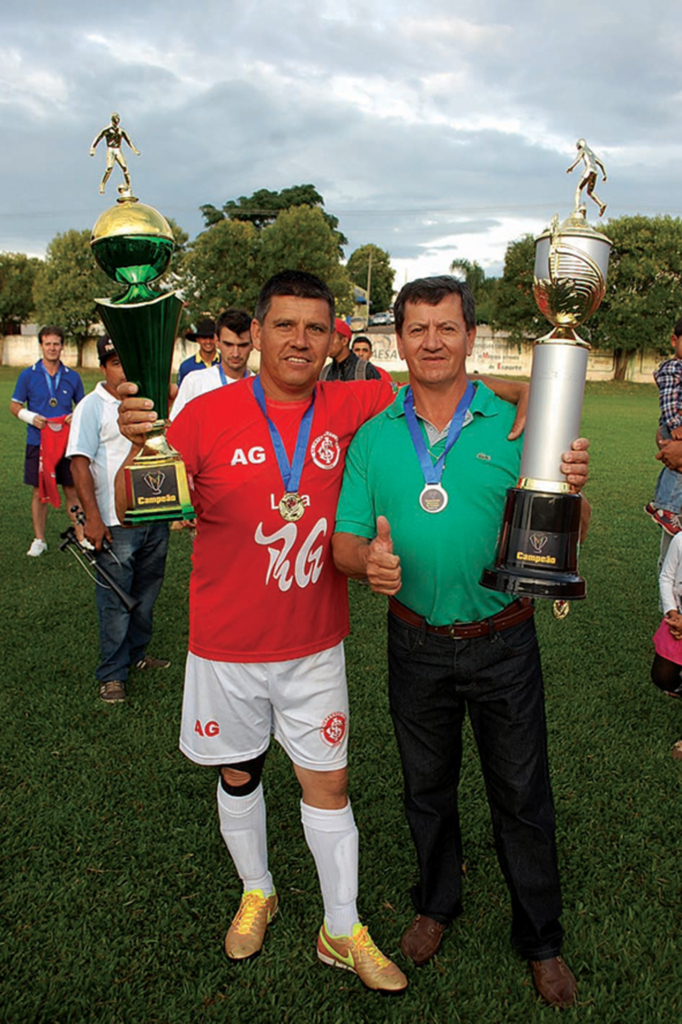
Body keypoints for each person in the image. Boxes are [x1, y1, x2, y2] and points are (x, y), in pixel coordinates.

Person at [116, 270, 529, 994]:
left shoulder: (358, 401)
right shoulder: (206, 415)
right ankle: (258, 890)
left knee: (328, 785)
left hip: (313, 644)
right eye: (285, 326)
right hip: (224, 644)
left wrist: (532, 403)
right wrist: (135, 446)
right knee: (239, 773)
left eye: (315, 328)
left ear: (335, 339)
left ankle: (341, 927)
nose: (300, 341)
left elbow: (456, 384)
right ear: (257, 333)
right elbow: (138, 501)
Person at [332, 276, 590, 1009]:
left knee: (522, 795)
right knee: (426, 788)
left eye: (447, 327)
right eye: (418, 329)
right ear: (399, 341)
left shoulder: (515, 426)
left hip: (502, 641)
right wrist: (368, 564)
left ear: (471, 337)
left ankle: (541, 938)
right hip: (413, 641)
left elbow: (570, 533)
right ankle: (436, 903)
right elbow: (347, 540)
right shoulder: (377, 436)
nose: (433, 341)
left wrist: (572, 489)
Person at [66, 337, 170, 703]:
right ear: (102, 367)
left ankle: (137, 655)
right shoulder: (92, 406)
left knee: (146, 592)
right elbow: (78, 463)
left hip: (155, 514)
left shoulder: (149, 401)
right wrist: (92, 518)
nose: (122, 370)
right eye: (113, 362)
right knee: (115, 599)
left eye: (126, 361)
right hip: (114, 522)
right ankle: (111, 674)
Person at [10, 325, 86, 556]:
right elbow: (14, 406)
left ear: (62, 346)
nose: (52, 348)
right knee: (38, 491)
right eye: (48, 344)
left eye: (56, 344)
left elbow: (82, 405)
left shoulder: (72, 376)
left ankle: (82, 537)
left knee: (72, 489)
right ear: (41, 346)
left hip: (65, 443)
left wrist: (75, 415)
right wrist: (31, 417)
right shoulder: (28, 375)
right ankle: (39, 539)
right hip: (38, 442)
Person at [170, 309, 253, 421]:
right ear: (217, 341)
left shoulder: (264, 388)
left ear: (253, 344)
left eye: (242, 345)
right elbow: (175, 429)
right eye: (228, 345)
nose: (235, 353)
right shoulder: (194, 382)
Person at [644, 317, 682, 538]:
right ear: (674, 341)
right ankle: (666, 508)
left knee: (673, 468)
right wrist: (675, 425)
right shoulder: (675, 368)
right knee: (676, 469)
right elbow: (668, 400)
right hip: (676, 426)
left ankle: (660, 504)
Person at [651, 531, 682, 760]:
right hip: (677, 621)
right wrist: (671, 611)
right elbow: (666, 577)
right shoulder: (680, 540)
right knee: (662, 676)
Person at [89, 112, 140, 196]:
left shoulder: (121, 131)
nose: (116, 123)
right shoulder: (107, 130)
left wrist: (134, 150)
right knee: (109, 168)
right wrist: (92, 148)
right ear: (112, 121)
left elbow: (128, 141)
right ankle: (102, 184)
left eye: (118, 121)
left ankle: (128, 186)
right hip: (110, 149)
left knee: (124, 167)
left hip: (117, 150)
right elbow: (98, 138)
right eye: (115, 121)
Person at [566, 138, 607, 217]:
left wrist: (571, 167)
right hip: (595, 172)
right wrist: (604, 175)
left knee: (579, 189)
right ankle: (601, 204)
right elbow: (601, 164)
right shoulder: (591, 153)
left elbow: (578, 159)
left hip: (588, 170)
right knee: (589, 192)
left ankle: (577, 208)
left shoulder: (583, 150)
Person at [176, 319, 220, 388]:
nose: (208, 341)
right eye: (204, 337)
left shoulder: (225, 363)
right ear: (198, 339)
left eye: (211, 337)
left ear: (216, 339)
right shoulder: (186, 367)